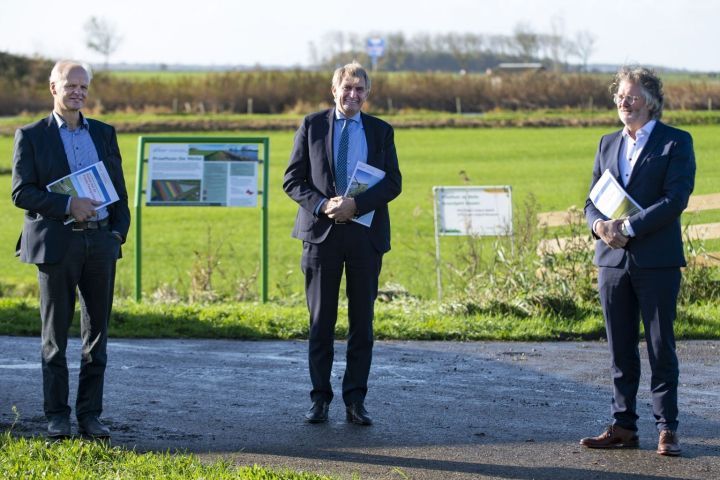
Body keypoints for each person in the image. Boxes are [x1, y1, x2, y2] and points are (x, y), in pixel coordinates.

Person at [11, 60, 130, 439]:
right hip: (57, 244)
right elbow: (21, 192)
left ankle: (90, 415)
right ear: (53, 88)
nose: (77, 91)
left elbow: (120, 191)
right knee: (55, 337)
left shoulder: (104, 133)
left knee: (97, 336)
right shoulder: (31, 136)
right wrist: (67, 205)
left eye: (83, 86)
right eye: (69, 85)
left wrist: (117, 234)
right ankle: (57, 416)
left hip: (99, 243)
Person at [581, 66, 695, 456]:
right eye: (619, 95)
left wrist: (626, 226)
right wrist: (599, 227)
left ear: (650, 100)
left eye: (631, 95)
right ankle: (623, 426)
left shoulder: (676, 142)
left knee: (661, 347)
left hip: (656, 261)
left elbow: (675, 200)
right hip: (611, 262)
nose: (623, 102)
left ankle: (668, 428)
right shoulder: (606, 143)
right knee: (620, 349)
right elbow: (592, 200)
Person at [283, 62, 402, 425]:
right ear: (334, 91)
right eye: (347, 88)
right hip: (322, 236)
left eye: (359, 90)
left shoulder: (381, 131)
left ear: (368, 94)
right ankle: (319, 399)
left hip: (365, 236)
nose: (353, 95)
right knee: (321, 322)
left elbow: (393, 182)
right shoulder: (312, 125)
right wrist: (323, 204)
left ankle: (355, 401)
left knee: (361, 324)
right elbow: (292, 180)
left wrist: (356, 205)